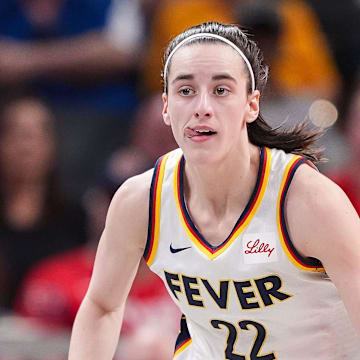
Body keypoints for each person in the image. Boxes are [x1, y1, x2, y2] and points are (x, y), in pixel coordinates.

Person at [68, 22, 360, 359]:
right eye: (186, 91)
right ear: (166, 106)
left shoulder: (307, 200)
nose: (202, 107)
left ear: (252, 105)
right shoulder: (140, 200)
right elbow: (102, 306)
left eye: (221, 90)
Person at [0, 97, 86, 311]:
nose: (25, 146)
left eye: (36, 135)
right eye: (16, 134)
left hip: (59, 335)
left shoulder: (75, 217)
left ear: (52, 146)